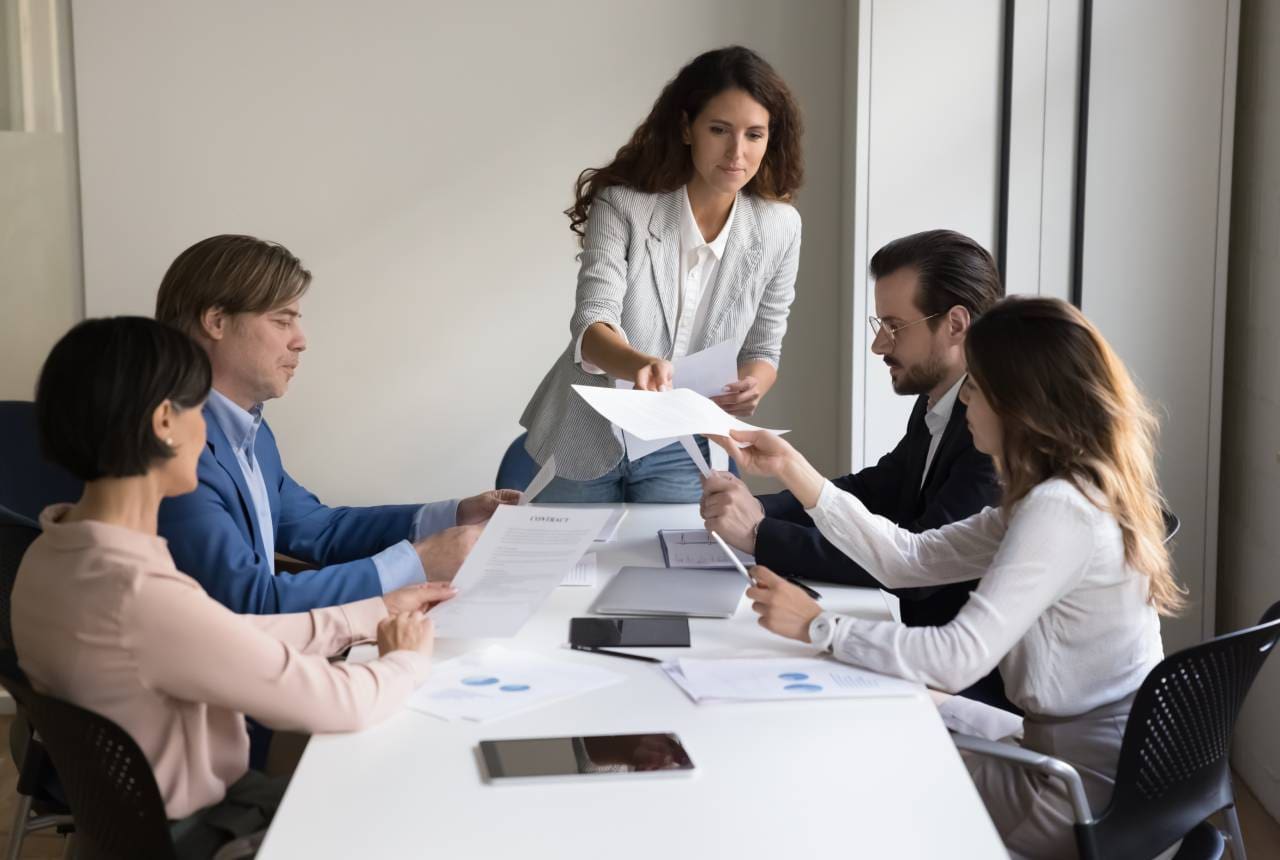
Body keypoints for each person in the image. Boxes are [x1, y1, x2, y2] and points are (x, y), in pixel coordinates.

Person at [717, 296, 1181, 859]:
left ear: (1020, 406)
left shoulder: (1061, 511)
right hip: (1107, 765)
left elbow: (959, 656)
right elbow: (907, 559)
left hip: (1074, 792)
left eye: (977, 389)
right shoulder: (1069, 489)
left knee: (848, 756)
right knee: (895, 703)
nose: (965, 403)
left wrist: (820, 625)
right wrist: (793, 468)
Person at [12, 317, 454, 858]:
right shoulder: (138, 594)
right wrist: (405, 660)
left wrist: (373, 611)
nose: (209, 431)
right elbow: (340, 703)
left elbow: (220, 633)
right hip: (206, 836)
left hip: (129, 832)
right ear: (166, 423)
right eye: (201, 410)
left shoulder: (50, 555)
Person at [701, 229, 1006, 706]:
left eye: (895, 326)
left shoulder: (993, 433)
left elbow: (920, 572)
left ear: (955, 324)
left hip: (968, 689)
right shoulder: (939, 398)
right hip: (925, 656)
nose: (879, 346)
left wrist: (761, 534)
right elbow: (885, 489)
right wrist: (765, 508)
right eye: (878, 324)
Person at [153, 234, 517, 615]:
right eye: (282, 321)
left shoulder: (249, 430)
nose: (300, 341)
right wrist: (417, 563)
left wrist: (456, 515)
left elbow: (319, 529)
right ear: (216, 322)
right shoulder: (168, 444)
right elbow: (248, 601)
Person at [520, 45, 805, 502]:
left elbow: (765, 347)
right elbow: (592, 324)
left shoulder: (780, 227)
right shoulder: (624, 205)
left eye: (755, 134)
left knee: (686, 569)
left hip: (687, 443)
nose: (737, 152)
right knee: (566, 572)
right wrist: (642, 366)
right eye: (719, 130)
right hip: (587, 434)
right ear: (686, 128)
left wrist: (754, 384)